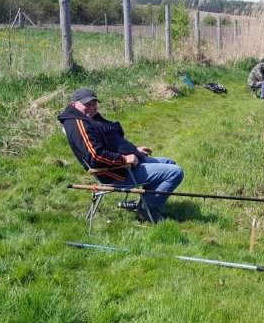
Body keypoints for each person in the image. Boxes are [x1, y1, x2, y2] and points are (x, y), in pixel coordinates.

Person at [58, 88, 184, 223]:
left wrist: (135, 150)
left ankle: (146, 203)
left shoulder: (88, 118)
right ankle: (149, 210)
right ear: (73, 104)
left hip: (127, 165)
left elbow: (112, 141)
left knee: (169, 163)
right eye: (87, 104)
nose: (92, 108)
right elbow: (95, 156)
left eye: (94, 103)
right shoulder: (78, 123)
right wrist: (125, 158)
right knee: (175, 172)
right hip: (118, 172)